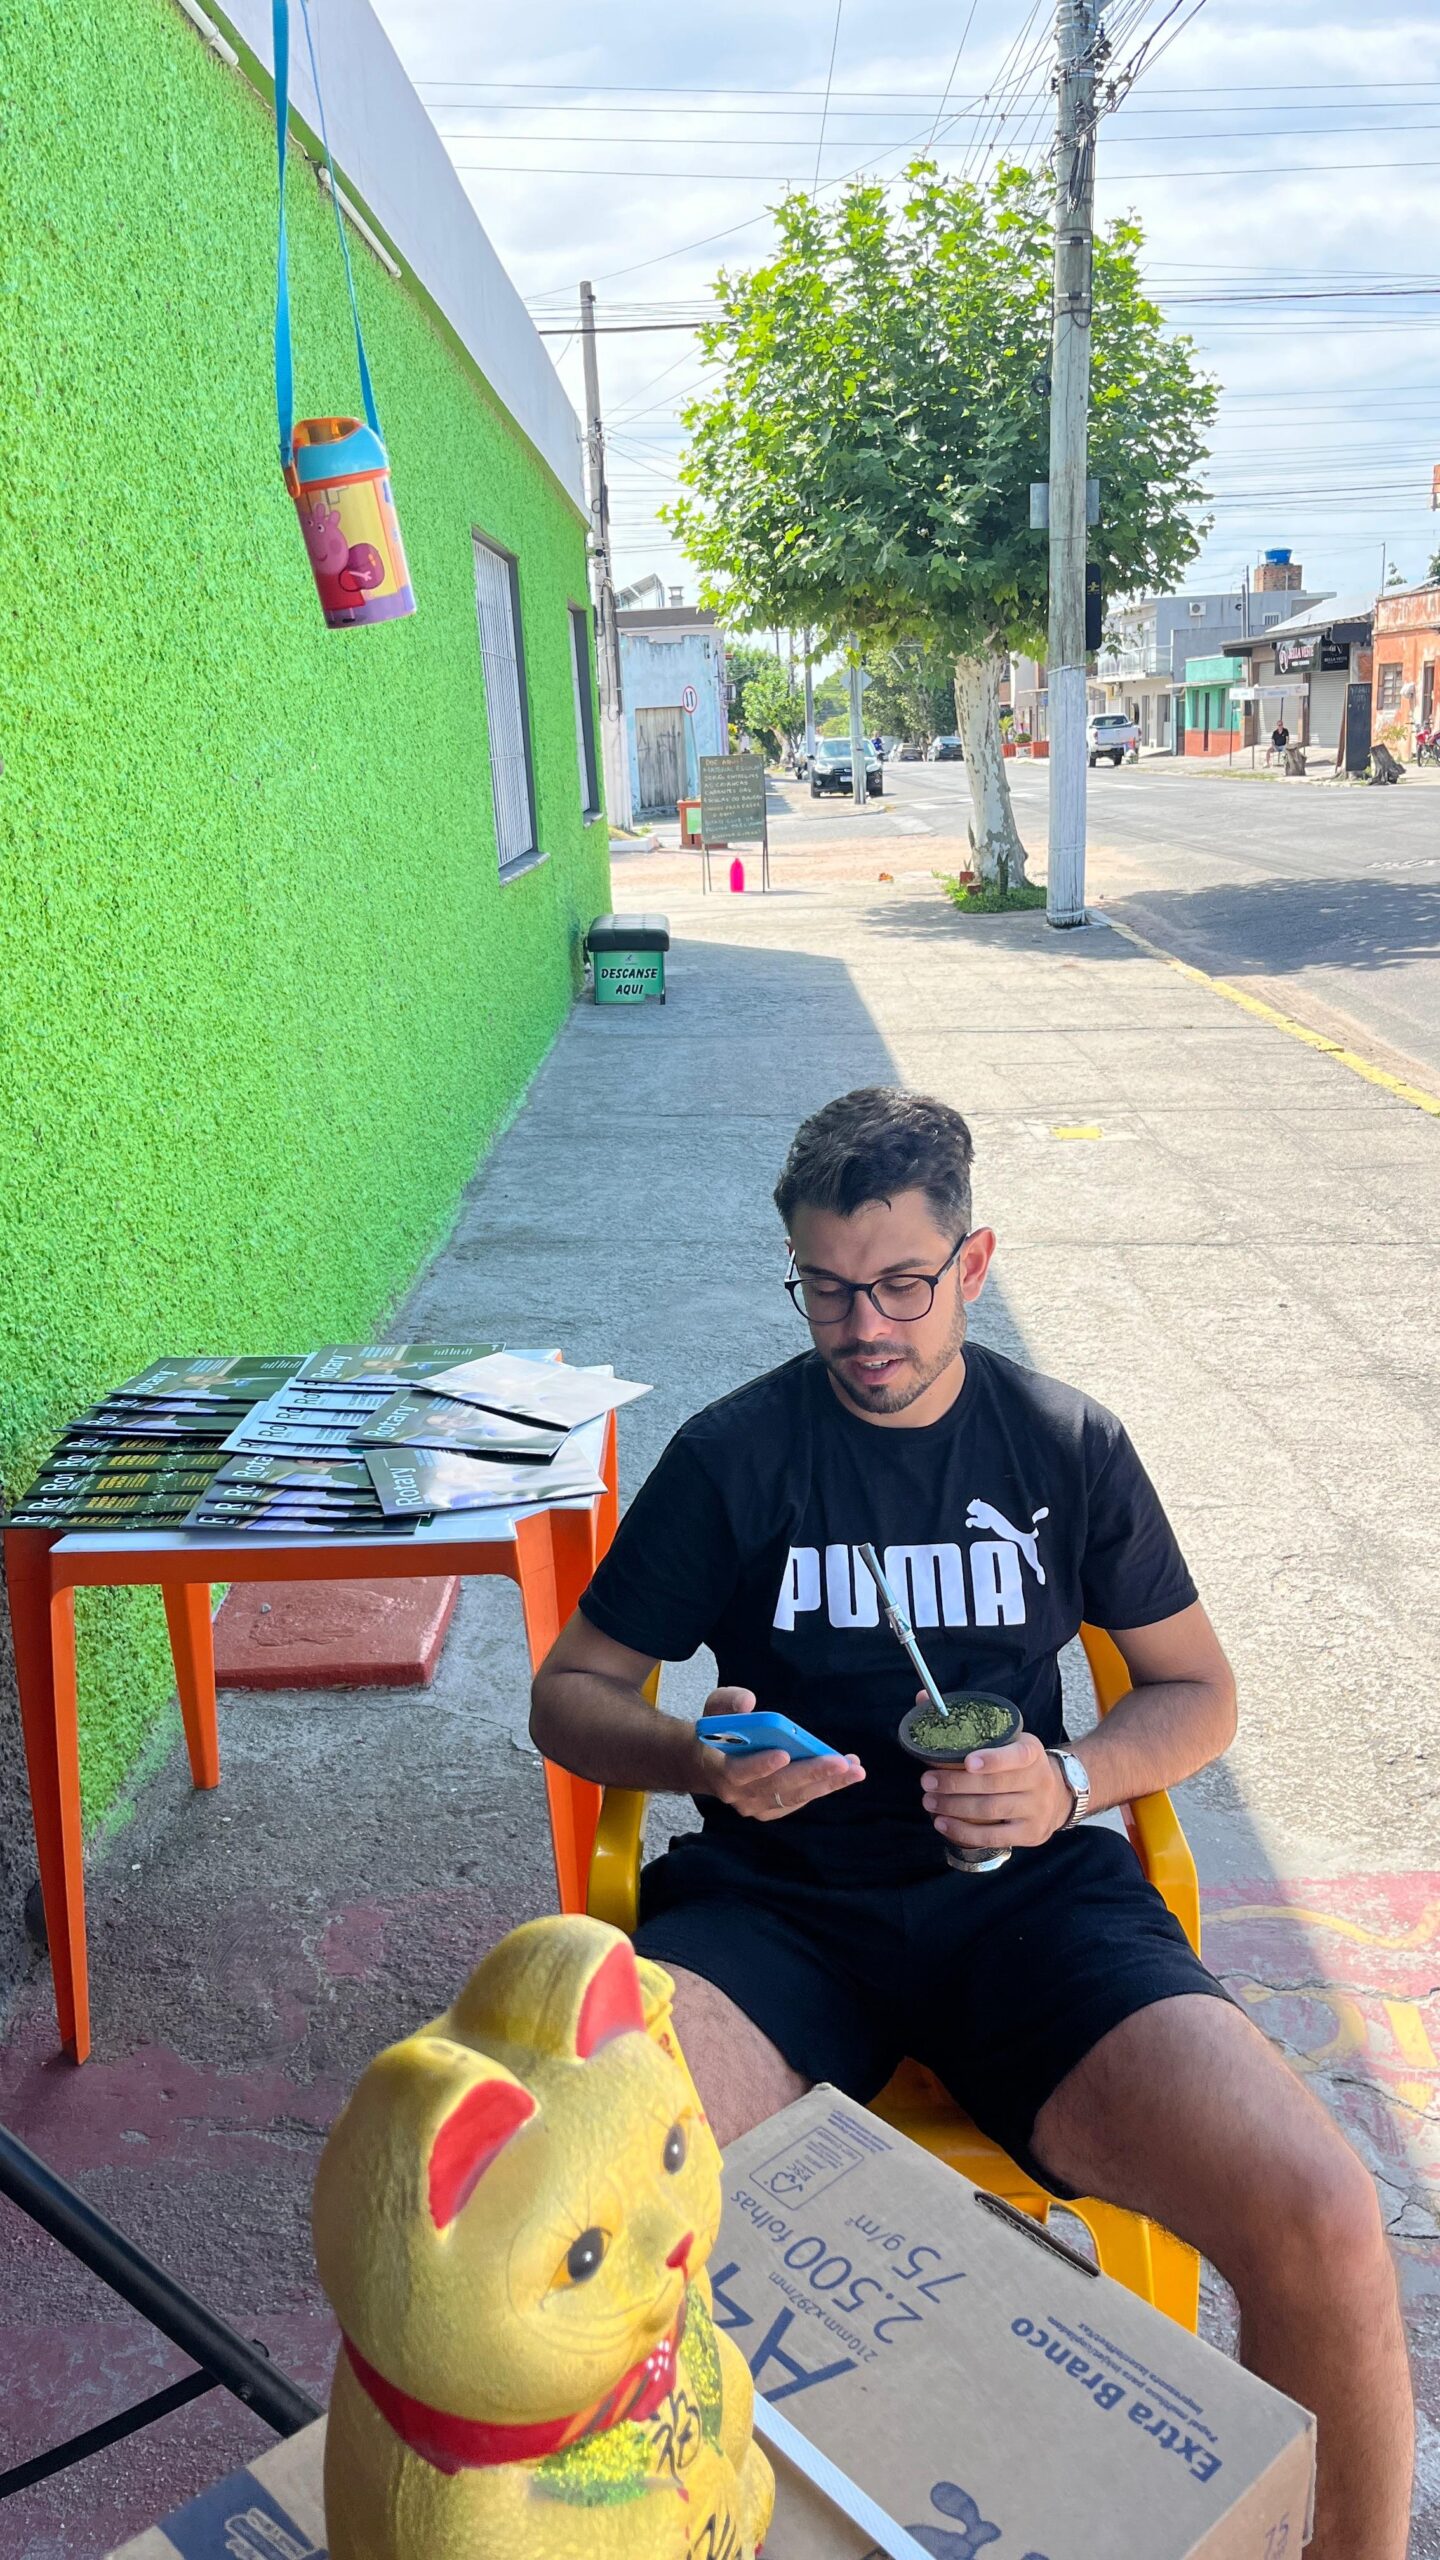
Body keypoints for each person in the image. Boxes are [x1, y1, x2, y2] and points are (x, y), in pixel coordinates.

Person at [532, 1088, 1413, 2560]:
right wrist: (697, 1755)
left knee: (1321, 2210)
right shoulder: (737, 1454)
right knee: (589, 2201)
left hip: (1029, 1902)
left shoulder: (1063, 1444)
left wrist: (1070, 1778)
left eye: (900, 1284)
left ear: (974, 1263)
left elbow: (1197, 1690)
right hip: (779, 1905)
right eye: (825, 1289)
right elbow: (569, 1696)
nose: (863, 1327)